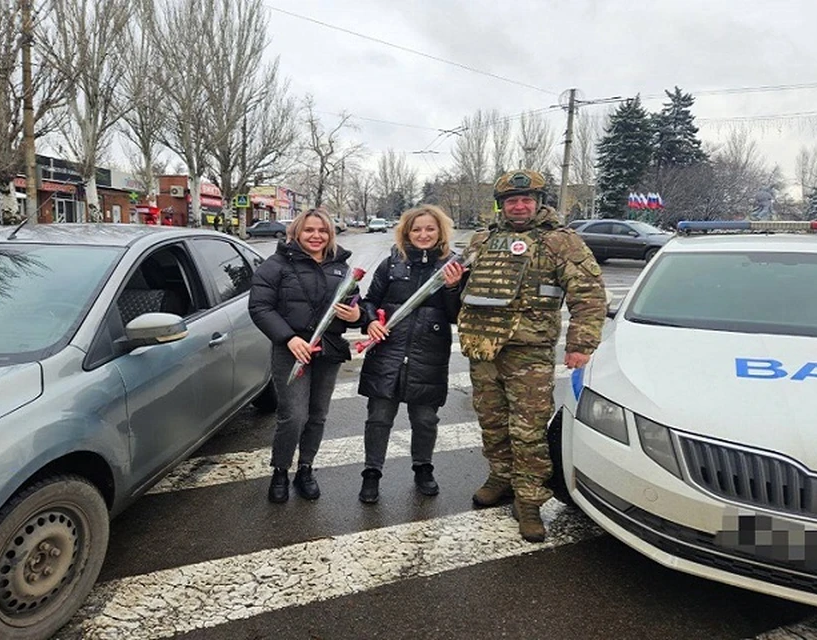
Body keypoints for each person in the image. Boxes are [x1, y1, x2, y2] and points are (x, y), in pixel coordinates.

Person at [457, 169, 606, 542]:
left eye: (526, 200)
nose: (519, 206)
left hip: (530, 353)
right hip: (485, 348)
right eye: (511, 201)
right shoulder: (482, 239)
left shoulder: (561, 242)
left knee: (528, 430)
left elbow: (588, 296)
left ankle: (528, 501)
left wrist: (580, 345)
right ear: (501, 205)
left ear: (540, 203)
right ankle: (501, 477)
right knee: (492, 422)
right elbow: (465, 285)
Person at [249, 208, 364, 503]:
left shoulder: (341, 267)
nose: (316, 236)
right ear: (296, 233)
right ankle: (280, 470)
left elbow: (356, 305)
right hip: (292, 350)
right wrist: (288, 338)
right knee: (293, 416)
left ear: (330, 234)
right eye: (309, 230)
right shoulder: (275, 265)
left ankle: (306, 468)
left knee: (317, 415)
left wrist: (355, 314)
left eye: (322, 231)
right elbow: (260, 308)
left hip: (329, 350)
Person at [356, 205, 465, 503]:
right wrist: (371, 321)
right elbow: (368, 301)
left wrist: (454, 289)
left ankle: (423, 468)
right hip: (387, 354)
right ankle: (371, 472)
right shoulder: (391, 263)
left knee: (425, 419)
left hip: (428, 357)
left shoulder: (452, 266)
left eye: (430, 229)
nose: (423, 234)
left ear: (440, 231)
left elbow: (457, 315)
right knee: (378, 417)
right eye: (416, 229)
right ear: (406, 232)